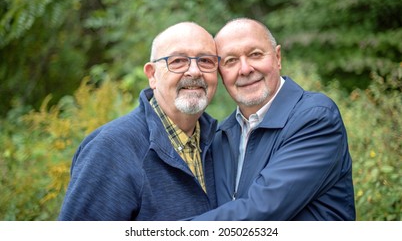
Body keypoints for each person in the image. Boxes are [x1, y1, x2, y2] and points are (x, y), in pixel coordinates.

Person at [192, 18, 356, 220]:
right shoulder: (221, 136)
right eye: (231, 61)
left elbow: (262, 210)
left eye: (255, 55)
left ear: (277, 57)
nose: (245, 69)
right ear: (220, 73)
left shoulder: (316, 118)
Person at [58, 22, 221, 220]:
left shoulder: (221, 143)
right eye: (178, 61)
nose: (194, 71)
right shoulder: (111, 149)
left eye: (205, 61)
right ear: (152, 75)